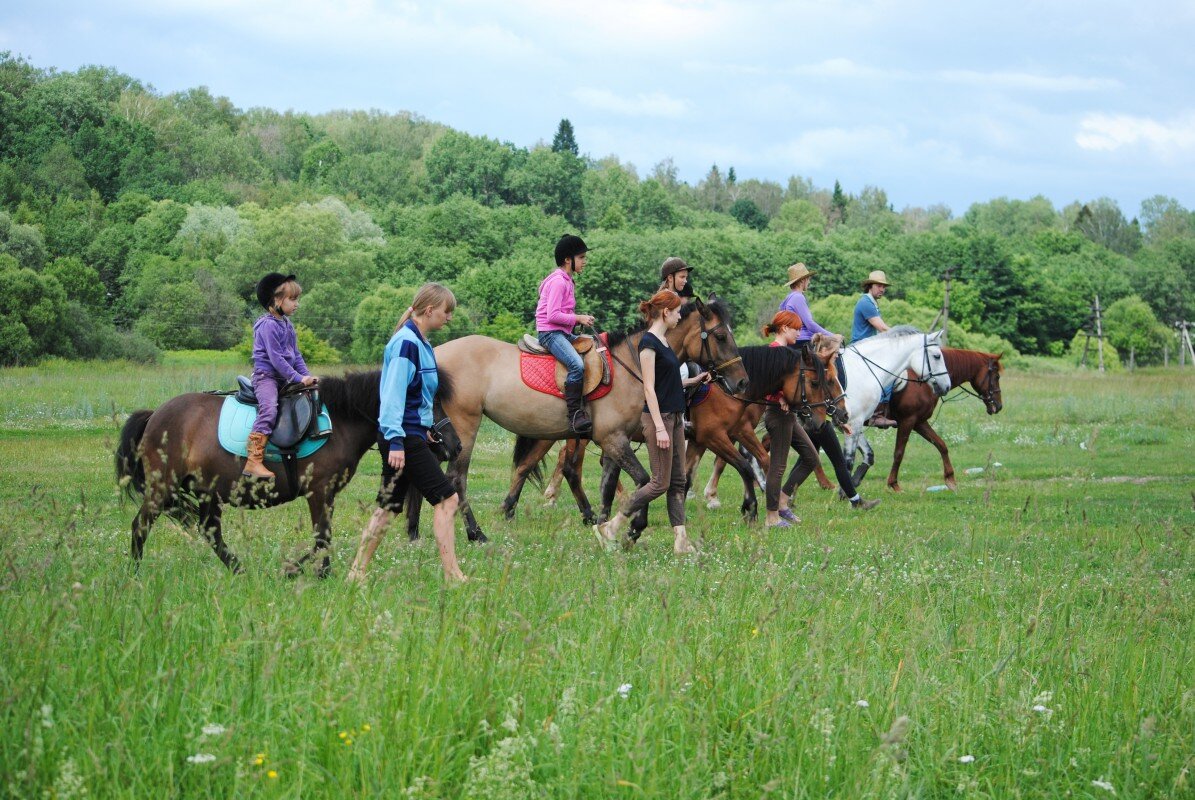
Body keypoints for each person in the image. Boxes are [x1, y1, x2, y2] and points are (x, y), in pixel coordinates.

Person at [348, 283, 467, 584]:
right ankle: (453, 575)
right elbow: (391, 397)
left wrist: (425, 428)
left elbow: (418, 397)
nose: (448, 318)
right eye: (445, 312)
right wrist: (397, 441)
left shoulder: (420, 342)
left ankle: (356, 572)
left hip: (411, 434)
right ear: (429, 310)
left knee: (387, 508)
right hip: (401, 438)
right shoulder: (406, 344)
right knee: (447, 500)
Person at [595, 290, 709, 554]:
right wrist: (659, 426)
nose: (680, 315)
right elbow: (648, 389)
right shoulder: (648, 344)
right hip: (660, 418)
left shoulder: (664, 341)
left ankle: (681, 542)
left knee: (678, 481)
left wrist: (693, 381)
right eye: (677, 310)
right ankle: (610, 527)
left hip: (676, 416)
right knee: (659, 482)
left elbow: (664, 382)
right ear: (666, 312)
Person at [777, 262, 881, 512]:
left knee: (815, 453)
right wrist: (832, 336)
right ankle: (854, 501)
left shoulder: (786, 300)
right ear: (802, 280)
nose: (809, 282)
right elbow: (810, 326)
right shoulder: (798, 297)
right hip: (801, 351)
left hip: (796, 350)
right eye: (808, 279)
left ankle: (787, 495)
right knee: (830, 377)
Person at [243, 272, 318, 480]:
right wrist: (297, 378)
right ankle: (254, 460)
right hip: (266, 376)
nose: (297, 304)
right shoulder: (267, 325)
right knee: (269, 409)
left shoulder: (286, 324)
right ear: (276, 300)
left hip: (283, 378)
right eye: (292, 299)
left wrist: (307, 377)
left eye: (296, 299)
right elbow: (276, 360)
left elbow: (296, 355)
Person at [759, 310, 820, 528]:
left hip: (789, 416)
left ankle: (783, 502)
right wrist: (779, 397)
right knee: (778, 466)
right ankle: (771, 517)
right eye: (796, 329)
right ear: (784, 328)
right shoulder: (774, 352)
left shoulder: (786, 351)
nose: (799, 333)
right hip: (777, 415)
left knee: (811, 457)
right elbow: (764, 384)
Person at [537, 234, 596, 436]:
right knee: (576, 365)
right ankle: (574, 416)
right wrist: (578, 318)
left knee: (593, 345)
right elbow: (553, 315)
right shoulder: (559, 282)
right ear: (568, 260)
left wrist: (579, 319)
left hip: (562, 332)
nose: (584, 262)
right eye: (581, 257)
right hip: (550, 333)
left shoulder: (567, 281)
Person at [852, 270, 897, 428]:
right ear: (870, 286)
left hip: (868, 346)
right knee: (889, 373)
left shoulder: (872, 302)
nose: (882, 289)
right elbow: (881, 327)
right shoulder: (866, 303)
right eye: (879, 286)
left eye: (884, 287)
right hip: (862, 347)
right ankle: (877, 414)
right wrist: (902, 336)